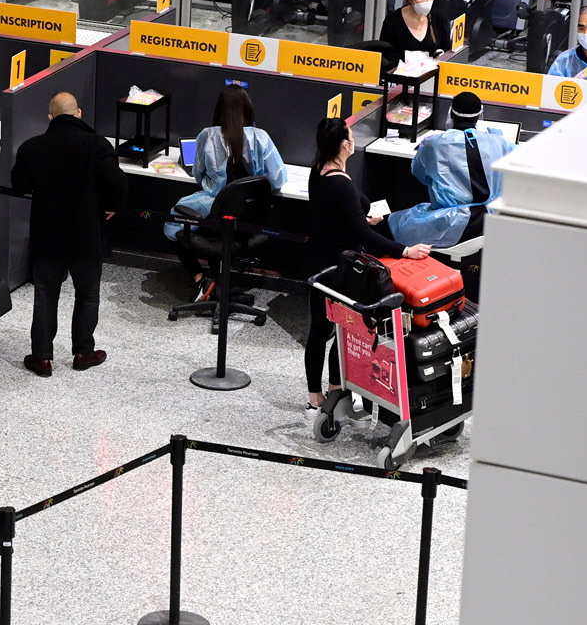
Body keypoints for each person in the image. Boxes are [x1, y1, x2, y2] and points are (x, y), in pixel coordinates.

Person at [305, 118, 432, 418]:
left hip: (318, 263)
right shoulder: (341, 184)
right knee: (342, 329)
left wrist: (361, 216)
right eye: (350, 136)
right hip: (340, 270)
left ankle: (317, 398)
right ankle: (334, 392)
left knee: (320, 330)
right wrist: (405, 250)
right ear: (345, 145)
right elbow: (363, 234)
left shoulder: (319, 172)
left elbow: (344, 212)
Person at [10, 92, 128, 377]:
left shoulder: (32, 147)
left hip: (47, 235)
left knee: (45, 294)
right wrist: (112, 206)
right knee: (87, 295)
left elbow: (18, 184)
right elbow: (118, 184)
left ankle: (41, 358)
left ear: (50, 117)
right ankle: (84, 352)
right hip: (86, 235)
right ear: (79, 113)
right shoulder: (97, 145)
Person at [165, 85, 289, 302]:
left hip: (214, 214)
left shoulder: (208, 135)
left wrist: (215, 187)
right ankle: (214, 282)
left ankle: (200, 278)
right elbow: (277, 179)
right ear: (248, 109)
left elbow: (198, 173)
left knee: (174, 222)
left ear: (219, 109)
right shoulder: (261, 137)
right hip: (249, 219)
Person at [389, 91, 515, 248]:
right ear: (478, 116)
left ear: (451, 114)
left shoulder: (433, 144)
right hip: (490, 221)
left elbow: (419, 173)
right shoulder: (500, 142)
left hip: (451, 223)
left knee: (394, 223)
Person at [379, 0, 447, 62]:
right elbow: (385, 55)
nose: (428, 1)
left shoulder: (438, 18)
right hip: (401, 69)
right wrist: (408, 56)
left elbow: (447, 48)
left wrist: (441, 54)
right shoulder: (392, 21)